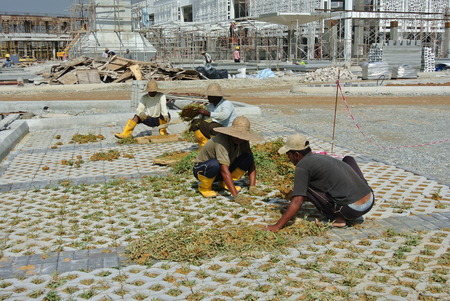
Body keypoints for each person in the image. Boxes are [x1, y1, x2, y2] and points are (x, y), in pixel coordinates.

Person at [266, 133, 374, 232]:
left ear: (297, 155)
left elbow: (297, 201)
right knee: (348, 159)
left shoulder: (302, 166)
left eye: (288, 155)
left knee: (305, 187)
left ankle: (338, 220)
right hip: (370, 201)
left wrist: (277, 226)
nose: (288, 158)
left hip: (352, 210)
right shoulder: (321, 157)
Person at [193, 116, 263, 199]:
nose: (239, 138)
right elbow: (224, 169)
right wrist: (236, 195)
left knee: (248, 157)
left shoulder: (243, 141)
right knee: (215, 164)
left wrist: (252, 187)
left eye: (242, 136)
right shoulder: (221, 142)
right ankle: (204, 187)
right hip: (203, 170)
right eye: (237, 135)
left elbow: (251, 162)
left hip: (219, 170)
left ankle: (227, 183)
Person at [191, 83, 236, 149]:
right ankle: (204, 146)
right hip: (216, 130)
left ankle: (215, 147)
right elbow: (203, 116)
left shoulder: (226, 104)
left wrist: (209, 113)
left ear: (216, 96)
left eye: (210, 96)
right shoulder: (210, 105)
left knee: (213, 126)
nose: (208, 98)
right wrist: (195, 114)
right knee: (195, 123)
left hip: (228, 131)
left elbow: (224, 116)